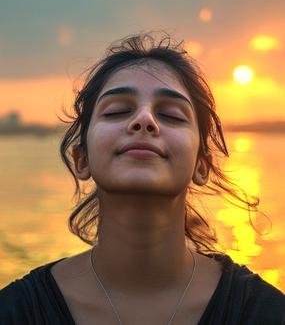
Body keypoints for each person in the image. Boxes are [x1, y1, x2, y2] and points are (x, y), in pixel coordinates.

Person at [1, 32, 285, 325]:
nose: (144, 119)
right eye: (118, 111)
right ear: (81, 159)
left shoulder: (264, 312)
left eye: (172, 115)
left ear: (202, 165)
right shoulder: (16, 311)